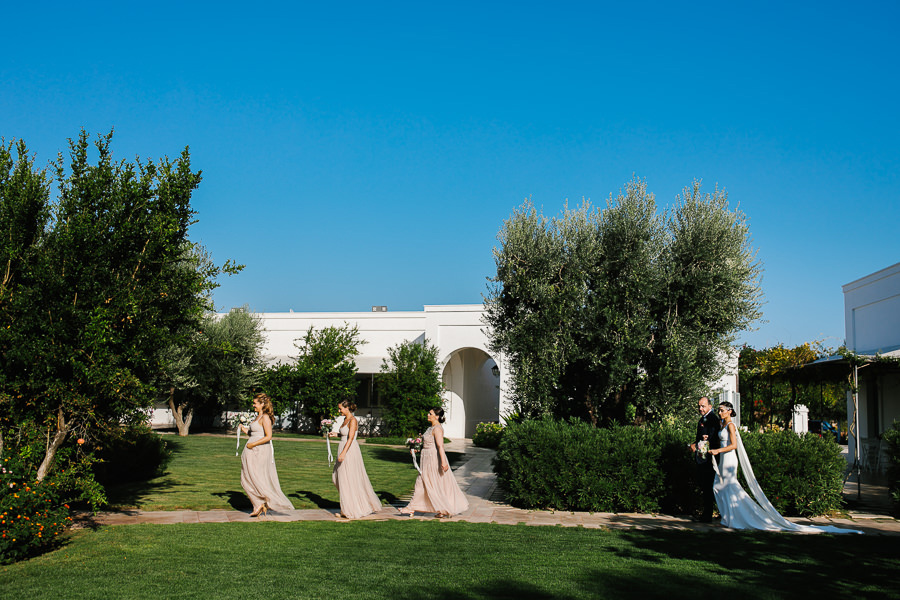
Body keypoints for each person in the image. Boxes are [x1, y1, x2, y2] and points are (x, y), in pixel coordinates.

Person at [709, 401, 859, 533]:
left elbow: (733, 445)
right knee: (719, 486)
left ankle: (737, 518)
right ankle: (729, 516)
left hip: (729, 459)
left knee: (729, 487)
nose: (720, 412)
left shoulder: (730, 425)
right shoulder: (722, 424)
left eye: (722, 410)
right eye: (719, 410)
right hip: (723, 459)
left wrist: (718, 450)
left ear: (729, 411)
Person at [399, 407, 469, 518]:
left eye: (430, 413)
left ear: (436, 416)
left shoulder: (437, 429)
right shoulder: (429, 429)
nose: (428, 415)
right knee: (423, 482)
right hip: (425, 458)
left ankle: (412, 507)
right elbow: (426, 443)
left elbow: (440, 446)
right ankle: (415, 507)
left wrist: (443, 462)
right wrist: (417, 448)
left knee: (429, 482)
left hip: (432, 459)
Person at [239, 393, 294, 517]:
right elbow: (254, 433)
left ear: (262, 404)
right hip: (251, 450)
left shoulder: (265, 417)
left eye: (255, 403)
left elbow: (268, 436)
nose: (253, 405)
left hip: (259, 450)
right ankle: (258, 503)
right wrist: (244, 430)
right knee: (246, 478)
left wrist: (253, 445)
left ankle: (260, 504)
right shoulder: (257, 417)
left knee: (256, 477)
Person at [332, 400, 382, 519]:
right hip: (343, 447)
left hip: (349, 450)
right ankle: (348, 506)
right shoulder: (345, 420)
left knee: (346, 479)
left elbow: (351, 438)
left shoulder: (353, 420)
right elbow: (345, 435)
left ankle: (349, 510)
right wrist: (335, 434)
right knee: (337, 478)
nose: (339, 411)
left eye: (341, 409)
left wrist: (344, 453)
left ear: (347, 408)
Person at [688, 396, 721, 522]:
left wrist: (697, 445)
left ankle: (707, 515)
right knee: (704, 485)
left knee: (708, 486)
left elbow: (711, 439)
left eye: (703, 406)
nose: (700, 408)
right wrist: (694, 444)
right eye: (699, 406)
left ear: (709, 406)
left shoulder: (712, 419)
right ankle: (706, 513)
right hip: (702, 457)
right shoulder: (703, 419)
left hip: (709, 458)